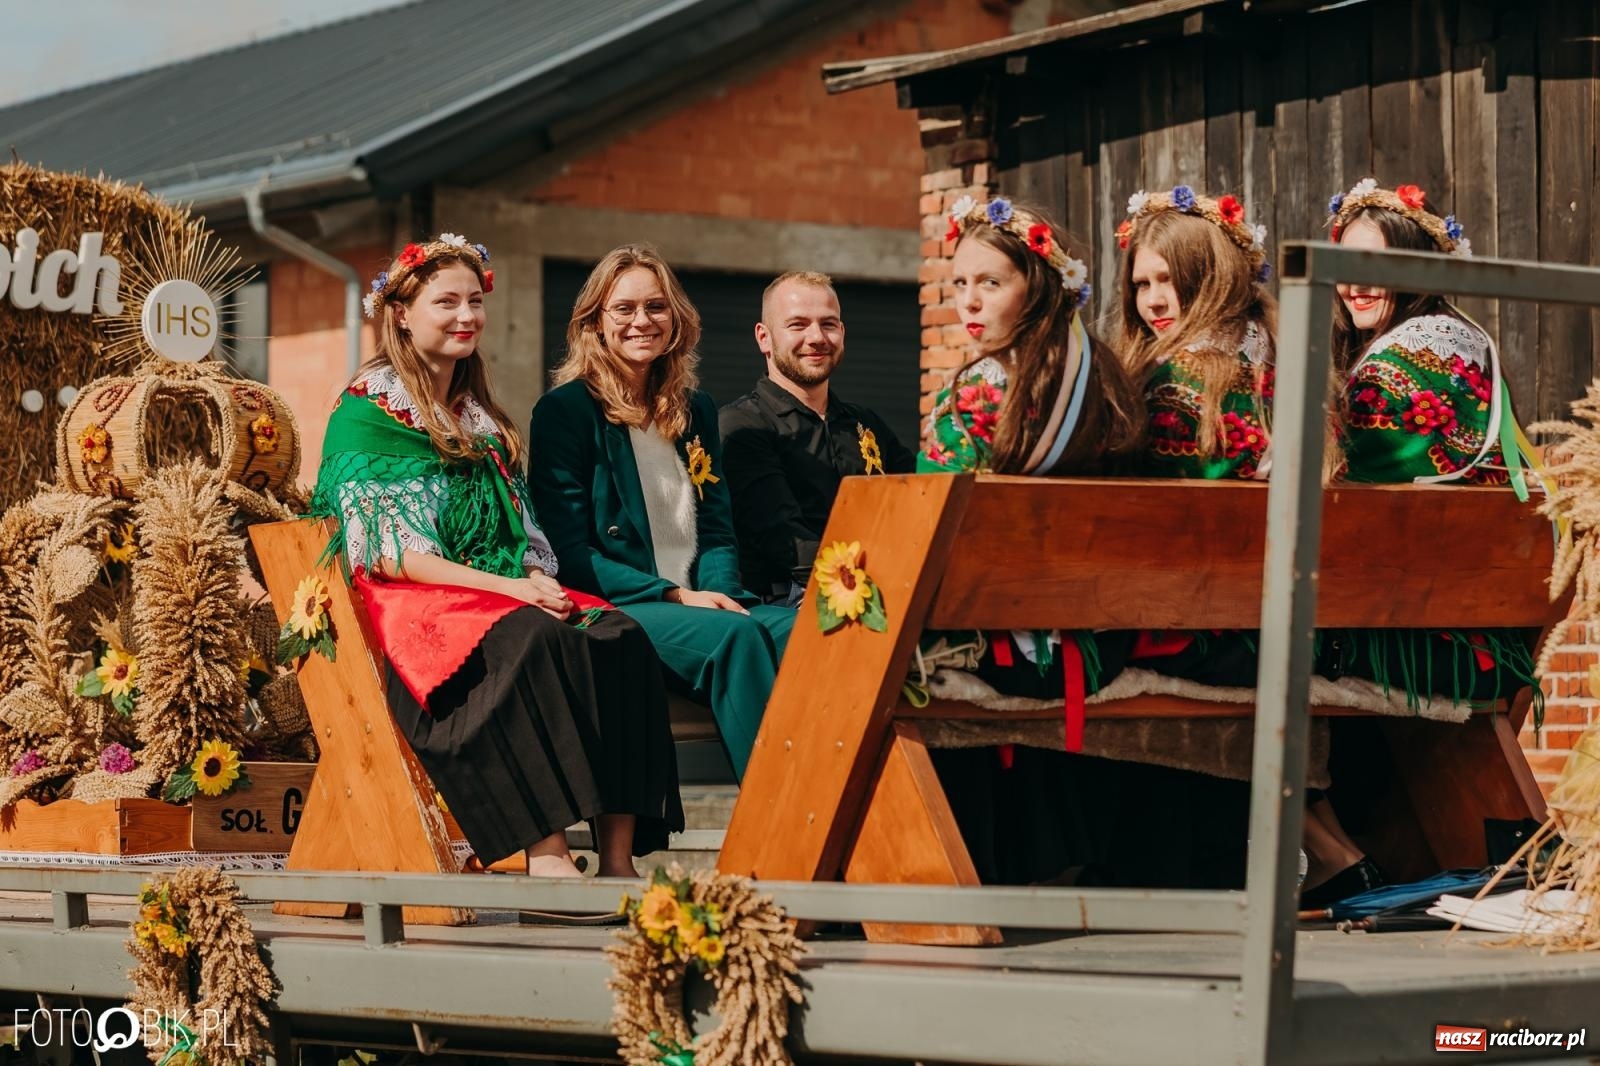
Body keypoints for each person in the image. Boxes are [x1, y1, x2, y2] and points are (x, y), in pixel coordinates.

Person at [308, 234, 683, 889]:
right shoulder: (366, 414)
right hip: (414, 602)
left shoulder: (479, 421)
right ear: (401, 312)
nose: (465, 316)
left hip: (489, 588)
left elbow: (520, 530)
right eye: (445, 301)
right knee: (532, 639)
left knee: (620, 636)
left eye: (474, 302)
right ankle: (547, 852)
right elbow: (394, 554)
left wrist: (536, 578)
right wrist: (511, 589)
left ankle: (620, 860)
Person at [917, 196, 1160, 885]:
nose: (968, 302)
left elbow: (932, 524)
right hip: (1102, 631)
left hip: (1015, 641)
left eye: (989, 283)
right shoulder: (1104, 379)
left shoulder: (978, 393)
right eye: (958, 284)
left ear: (1037, 288)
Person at [1310, 180, 1541, 904]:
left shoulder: (1399, 365)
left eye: (1373, 262)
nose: (1352, 280)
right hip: (1479, 615)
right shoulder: (1463, 339)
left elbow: (1342, 495)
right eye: (1342, 261)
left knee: (1237, 643)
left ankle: (1323, 845)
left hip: (1423, 635)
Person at [526, 245, 793, 780]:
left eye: (656, 306)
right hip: (618, 605)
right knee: (737, 638)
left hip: (700, 597)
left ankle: (851, 804)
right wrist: (676, 595)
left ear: (676, 319)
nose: (641, 321)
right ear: (595, 323)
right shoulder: (564, 413)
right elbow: (570, 553)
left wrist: (720, 593)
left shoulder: (694, 410)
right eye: (623, 309)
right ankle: (781, 816)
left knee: (804, 630)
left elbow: (717, 527)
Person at [719, 271, 915, 606]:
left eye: (828, 324)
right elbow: (785, 541)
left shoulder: (865, 424)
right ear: (764, 338)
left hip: (883, 586)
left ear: (842, 332)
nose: (816, 337)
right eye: (798, 325)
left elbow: (920, 498)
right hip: (790, 600)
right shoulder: (742, 424)